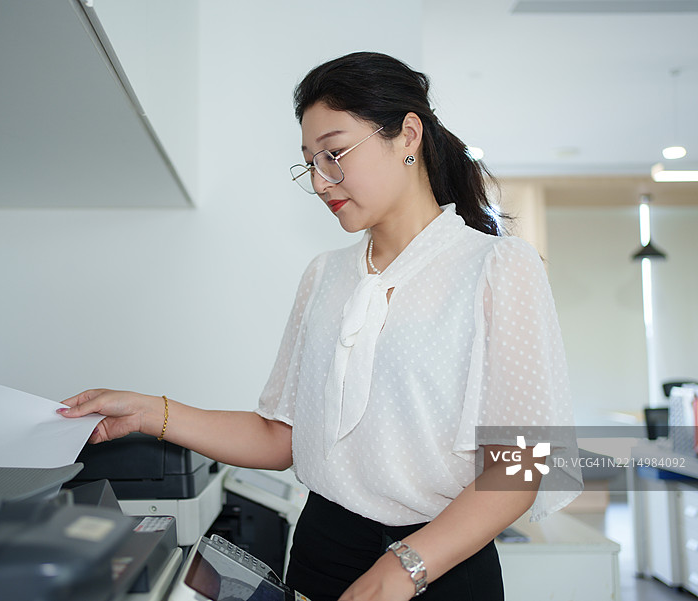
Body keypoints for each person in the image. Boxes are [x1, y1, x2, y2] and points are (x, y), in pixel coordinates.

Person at [59, 51, 582, 601]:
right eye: (309, 163)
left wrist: (404, 567)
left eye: (334, 154)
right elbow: (281, 436)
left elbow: (520, 467)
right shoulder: (325, 275)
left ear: (407, 135)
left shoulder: (498, 267)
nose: (321, 180)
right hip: (321, 552)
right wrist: (147, 412)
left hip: (439, 564)